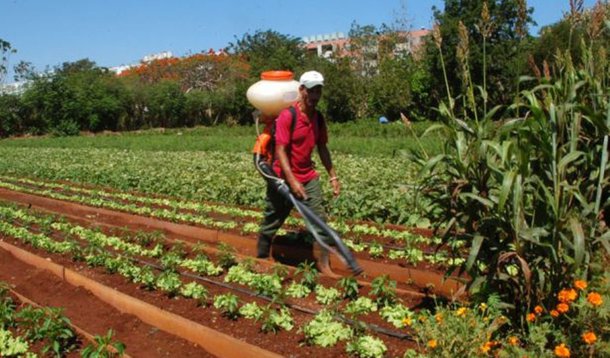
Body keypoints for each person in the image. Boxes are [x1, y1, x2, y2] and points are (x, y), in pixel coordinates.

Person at [257, 70, 340, 262]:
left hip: (308, 176)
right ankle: (261, 256)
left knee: (319, 220)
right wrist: (292, 180)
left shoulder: (318, 118)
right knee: (273, 218)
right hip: (282, 178)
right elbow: (280, 151)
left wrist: (333, 176)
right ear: (301, 90)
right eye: (311, 91)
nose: (315, 96)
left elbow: (322, 148)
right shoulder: (288, 116)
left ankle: (324, 264)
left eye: (318, 91)